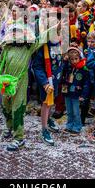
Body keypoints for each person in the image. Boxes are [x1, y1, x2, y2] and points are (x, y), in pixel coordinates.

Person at [0, 17, 58, 151]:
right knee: (5, 108)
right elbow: (0, 62)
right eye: (13, 32)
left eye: (17, 32)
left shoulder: (28, 47)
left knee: (17, 110)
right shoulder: (6, 47)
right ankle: (10, 127)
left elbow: (42, 37)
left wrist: (56, 27)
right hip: (5, 83)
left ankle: (19, 138)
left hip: (20, 83)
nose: (14, 34)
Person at [32, 15, 64, 146]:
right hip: (46, 82)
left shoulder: (58, 43)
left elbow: (59, 61)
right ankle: (44, 129)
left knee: (51, 103)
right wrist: (45, 83)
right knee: (46, 104)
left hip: (55, 80)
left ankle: (48, 119)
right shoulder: (42, 47)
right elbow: (37, 67)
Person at [62, 46, 90, 134]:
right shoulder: (69, 67)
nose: (74, 61)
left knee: (76, 111)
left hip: (76, 93)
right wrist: (66, 61)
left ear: (80, 57)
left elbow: (86, 84)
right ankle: (69, 125)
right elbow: (63, 70)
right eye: (71, 59)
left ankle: (77, 126)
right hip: (67, 92)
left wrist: (83, 95)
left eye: (76, 59)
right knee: (69, 111)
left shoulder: (83, 69)